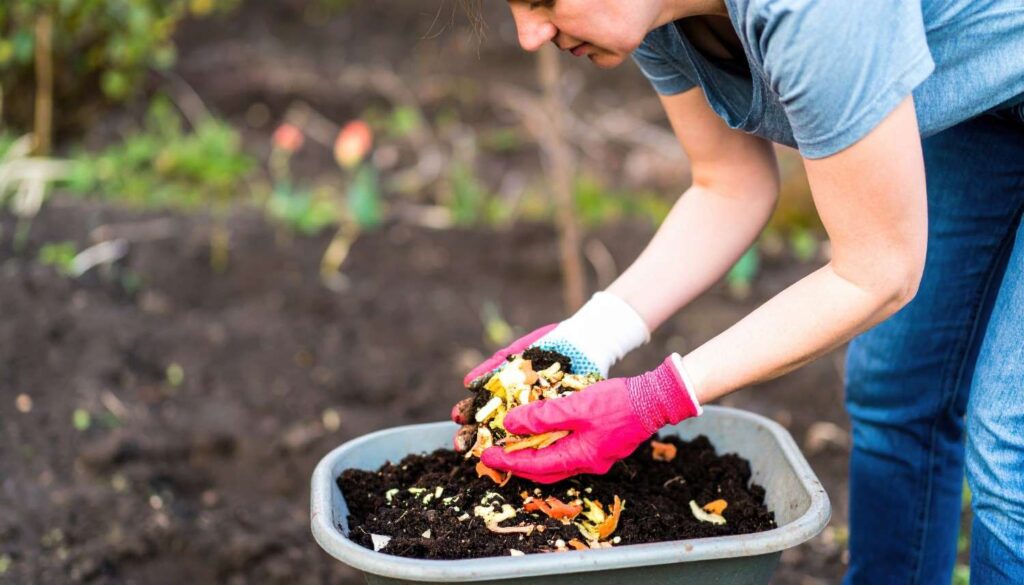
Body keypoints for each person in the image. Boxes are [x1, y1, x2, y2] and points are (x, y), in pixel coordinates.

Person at [449, 0, 1024, 583]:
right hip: (983, 91)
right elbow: (730, 185)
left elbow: (878, 273)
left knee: (1011, 449)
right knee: (899, 388)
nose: (528, 34)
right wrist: (585, 341)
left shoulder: (812, 12)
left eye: (543, 0)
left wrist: (654, 399)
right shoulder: (655, 18)